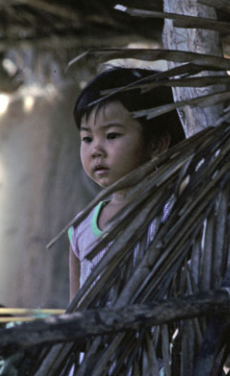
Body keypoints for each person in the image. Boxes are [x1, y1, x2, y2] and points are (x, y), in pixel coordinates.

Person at [68, 67, 185, 301]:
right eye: (87, 139)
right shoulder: (80, 228)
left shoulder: (172, 211)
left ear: (156, 145)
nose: (95, 151)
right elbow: (75, 309)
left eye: (112, 135)